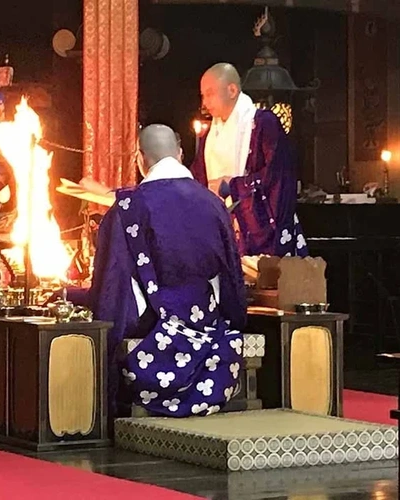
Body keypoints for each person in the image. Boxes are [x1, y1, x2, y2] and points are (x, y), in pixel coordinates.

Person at [74, 124, 247, 418]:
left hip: (153, 324)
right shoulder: (214, 204)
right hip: (208, 323)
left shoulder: (127, 208)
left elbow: (112, 282)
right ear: (180, 154)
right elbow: (232, 275)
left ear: (140, 159)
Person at [190, 62, 307, 257]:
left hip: (255, 228)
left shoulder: (263, 123)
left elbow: (278, 175)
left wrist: (234, 186)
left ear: (232, 90)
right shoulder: (210, 134)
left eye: (209, 94)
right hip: (221, 226)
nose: (204, 102)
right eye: (203, 95)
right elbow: (198, 177)